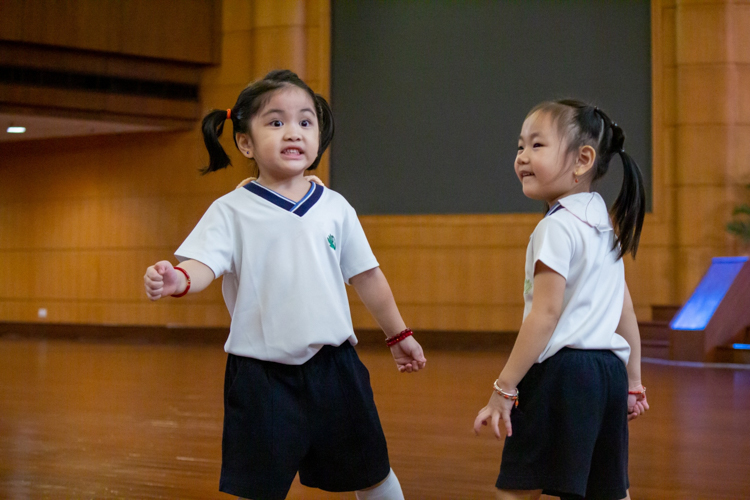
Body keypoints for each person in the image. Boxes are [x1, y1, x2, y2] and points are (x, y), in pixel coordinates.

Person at [144, 69, 426, 500]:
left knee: (372, 471)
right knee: (258, 488)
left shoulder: (335, 207)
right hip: (260, 377)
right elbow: (203, 263)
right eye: (276, 122)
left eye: (305, 121)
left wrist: (398, 333)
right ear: (244, 141)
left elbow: (367, 276)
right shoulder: (231, 210)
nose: (293, 132)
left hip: (335, 369)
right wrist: (177, 278)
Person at [474, 100, 649, 500]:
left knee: (518, 488)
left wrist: (504, 388)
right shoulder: (605, 227)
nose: (522, 157)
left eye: (537, 145)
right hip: (608, 374)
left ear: (583, 159)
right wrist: (633, 381)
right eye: (520, 147)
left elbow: (545, 316)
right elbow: (625, 313)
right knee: (606, 489)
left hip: (564, 376)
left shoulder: (557, 228)